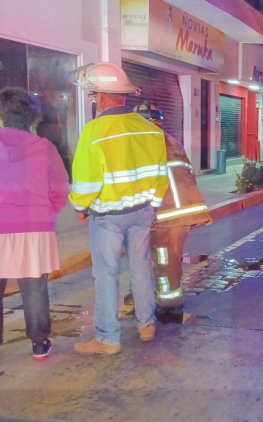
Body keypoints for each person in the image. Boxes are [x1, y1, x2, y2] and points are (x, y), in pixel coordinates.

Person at [68, 62, 169, 355]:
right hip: (142, 212)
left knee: (106, 274)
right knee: (141, 267)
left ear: (100, 96)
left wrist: (79, 205)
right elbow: (160, 175)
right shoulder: (150, 130)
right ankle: (146, 324)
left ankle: (107, 338)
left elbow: (86, 183)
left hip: (108, 217)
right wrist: (153, 206)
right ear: (124, 95)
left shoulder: (94, 132)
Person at [0, 87, 69, 360]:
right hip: (35, 226)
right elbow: (61, 190)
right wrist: (46, 212)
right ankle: (39, 343)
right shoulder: (45, 148)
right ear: (32, 117)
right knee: (34, 288)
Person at [132, 102, 212, 311]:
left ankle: (168, 301)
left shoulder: (144, 143)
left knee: (163, 257)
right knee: (168, 256)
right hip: (183, 210)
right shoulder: (171, 141)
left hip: (166, 213)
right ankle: (152, 293)